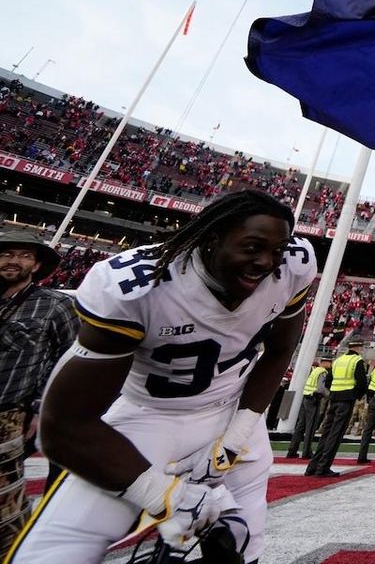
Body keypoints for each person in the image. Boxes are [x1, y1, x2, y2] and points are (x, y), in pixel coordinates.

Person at [7, 190, 316, 563]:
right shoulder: (136, 285)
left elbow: (281, 349)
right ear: (212, 238)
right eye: (251, 247)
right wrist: (166, 496)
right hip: (149, 417)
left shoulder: (294, 264)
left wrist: (239, 432)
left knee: (240, 547)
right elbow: (65, 427)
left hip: (233, 409)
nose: (266, 262)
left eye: (276, 251)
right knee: (53, 550)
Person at [0, 230, 77, 553]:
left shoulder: (54, 305)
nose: (13, 261)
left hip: (10, 413)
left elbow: (69, 359)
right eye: (7, 253)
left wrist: (40, 406)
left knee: (6, 504)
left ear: (36, 265)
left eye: (24, 255)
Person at [306, 337, 367, 478]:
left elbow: (328, 381)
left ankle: (313, 466)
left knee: (326, 433)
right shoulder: (356, 361)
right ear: (358, 348)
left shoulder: (338, 360)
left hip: (333, 399)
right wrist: (354, 395)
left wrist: (334, 392)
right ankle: (323, 467)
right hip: (346, 400)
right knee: (335, 434)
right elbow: (362, 383)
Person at [285, 356, 330, 460]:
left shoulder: (315, 371)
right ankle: (306, 452)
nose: (330, 365)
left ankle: (292, 450)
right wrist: (330, 395)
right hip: (314, 400)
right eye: (329, 362)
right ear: (325, 362)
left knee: (300, 426)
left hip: (306, 398)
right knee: (311, 427)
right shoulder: (323, 372)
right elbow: (321, 389)